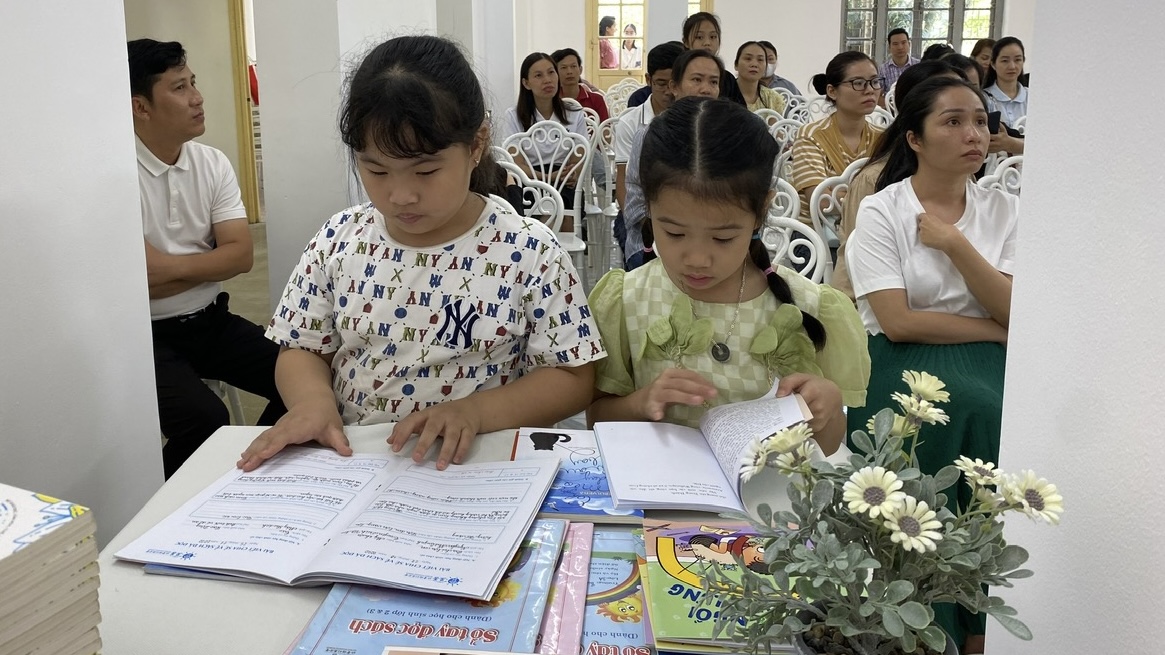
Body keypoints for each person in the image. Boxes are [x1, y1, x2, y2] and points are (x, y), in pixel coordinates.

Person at [237, 35, 604, 473]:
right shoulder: (339, 239)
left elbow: (571, 377)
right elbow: (301, 348)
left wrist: (476, 412)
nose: (401, 195)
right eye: (375, 169)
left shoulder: (529, 250)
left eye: (426, 170)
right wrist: (313, 403)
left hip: (474, 467)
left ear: (476, 144)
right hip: (356, 463)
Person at [588, 96, 869, 455]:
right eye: (673, 233)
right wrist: (639, 403)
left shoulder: (808, 306)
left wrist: (826, 408)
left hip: (766, 506)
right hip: (661, 502)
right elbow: (595, 417)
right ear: (649, 209)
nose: (697, 259)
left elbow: (827, 448)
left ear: (761, 211)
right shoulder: (627, 299)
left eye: (723, 237)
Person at [845, 76, 1017, 655]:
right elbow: (897, 321)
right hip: (900, 358)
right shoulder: (881, 210)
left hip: (984, 356)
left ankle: (977, 618)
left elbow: (1015, 308)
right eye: (953, 121)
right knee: (952, 411)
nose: (975, 134)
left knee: (1001, 413)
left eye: (980, 120)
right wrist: (993, 327)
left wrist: (955, 244)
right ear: (914, 138)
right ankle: (925, 614)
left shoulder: (1004, 209)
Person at [128, 38, 287, 479]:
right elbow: (132, 281)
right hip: (143, 339)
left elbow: (240, 256)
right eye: (179, 88)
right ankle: (154, 511)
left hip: (209, 321)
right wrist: (204, 265)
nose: (197, 97)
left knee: (306, 377)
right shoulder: (117, 173)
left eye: (193, 83)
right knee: (205, 420)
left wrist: (167, 269)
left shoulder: (211, 163)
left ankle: (244, 478)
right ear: (140, 106)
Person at [833, 60, 966, 301]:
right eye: (953, 119)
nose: (971, 134)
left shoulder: (968, 181)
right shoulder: (874, 181)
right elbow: (853, 275)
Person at [621, 49, 724, 271]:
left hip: (716, 244)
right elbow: (635, 206)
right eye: (696, 80)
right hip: (653, 243)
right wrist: (680, 231)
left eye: (713, 82)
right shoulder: (649, 135)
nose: (705, 89)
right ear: (674, 87)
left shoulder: (728, 137)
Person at [613, 42, 685, 269]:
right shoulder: (631, 123)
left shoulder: (694, 121)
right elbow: (624, 183)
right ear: (648, 80)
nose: (668, 91)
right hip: (640, 217)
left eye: (673, 84)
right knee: (641, 266)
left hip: (687, 217)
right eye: (660, 83)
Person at [791, 51, 884, 225]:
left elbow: (896, 193)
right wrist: (874, 197)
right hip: (816, 236)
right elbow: (822, 202)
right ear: (832, 91)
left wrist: (839, 193)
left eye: (875, 81)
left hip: (867, 229)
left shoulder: (883, 138)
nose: (870, 90)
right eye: (858, 83)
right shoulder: (811, 136)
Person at [498, 52, 589, 212]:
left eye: (551, 72)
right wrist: (548, 178)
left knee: (564, 201)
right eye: (538, 75)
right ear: (526, 83)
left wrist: (572, 174)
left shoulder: (575, 113)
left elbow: (579, 157)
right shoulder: (513, 116)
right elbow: (516, 164)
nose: (547, 80)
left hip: (563, 180)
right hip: (528, 182)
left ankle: (542, 236)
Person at [626, 12, 744, 109]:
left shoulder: (727, 79)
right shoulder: (647, 97)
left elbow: (740, 116)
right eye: (699, 37)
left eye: (713, 37)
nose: (707, 43)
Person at [982, 36, 1029, 128]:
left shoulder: (1031, 97)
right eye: (1005, 61)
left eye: (1017, 60)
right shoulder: (984, 98)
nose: (1012, 66)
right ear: (993, 64)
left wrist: (1010, 142)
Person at [553, 48, 609, 122]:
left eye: (573, 66)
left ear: (580, 70)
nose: (569, 72)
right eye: (564, 68)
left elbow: (605, 130)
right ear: (555, 72)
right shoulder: (552, 100)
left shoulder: (597, 100)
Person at [735, 41, 786, 113]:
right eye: (748, 59)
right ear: (736, 65)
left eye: (760, 60)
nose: (754, 64)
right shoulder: (723, 95)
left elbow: (775, 124)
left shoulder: (774, 99)